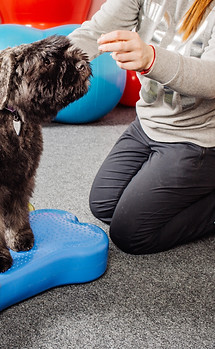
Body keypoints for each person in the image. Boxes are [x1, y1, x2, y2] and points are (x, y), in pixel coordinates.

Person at [68, 0, 215, 254]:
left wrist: (151, 59)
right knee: (103, 205)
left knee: (131, 234)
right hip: (147, 125)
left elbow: (212, 77)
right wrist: (43, 63)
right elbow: (94, 33)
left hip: (196, 138)